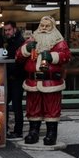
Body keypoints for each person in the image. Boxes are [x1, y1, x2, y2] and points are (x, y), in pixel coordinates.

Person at [16, 16, 71, 146]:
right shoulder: (31, 40)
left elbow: (67, 56)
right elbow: (18, 56)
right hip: (33, 82)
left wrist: (52, 56)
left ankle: (51, 134)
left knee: (52, 108)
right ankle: (33, 131)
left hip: (51, 82)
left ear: (52, 27)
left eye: (47, 26)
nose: (44, 29)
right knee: (33, 107)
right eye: (42, 26)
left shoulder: (59, 42)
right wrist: (26, 49)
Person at [2, 21, 26, 139]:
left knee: (16, 104)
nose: (7, 32)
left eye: (9, 30)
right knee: (7, 103)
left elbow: (19, 60)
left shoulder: (19, 42)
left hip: (17, 77)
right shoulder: (10, 41)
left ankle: (18, 130)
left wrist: (13, 73)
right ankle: (7, 128)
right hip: (11, 77)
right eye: (5, 30)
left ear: (14, 29)